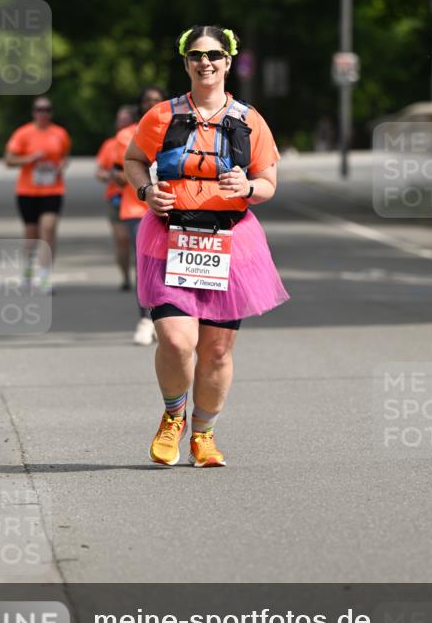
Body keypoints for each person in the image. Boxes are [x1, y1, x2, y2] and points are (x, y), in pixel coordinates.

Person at [124, 26, 288, 467]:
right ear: (185, 63)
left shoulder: (250, 120)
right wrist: (145, 192)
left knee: (216, 350)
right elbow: (134, 160)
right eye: (196, 56)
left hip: (229, 245)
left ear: (228, 61)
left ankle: (204, 435)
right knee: (177, 342)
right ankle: (173, 417)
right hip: (169, 240)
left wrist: (249, 185)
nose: (206, 63)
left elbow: (269, 182)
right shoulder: (160, 115)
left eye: (215, 55)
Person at [115, 86, 166, 345]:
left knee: (168, 264)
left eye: (157, 100)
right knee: (144, 263)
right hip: (138, 206)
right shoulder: (126, 135)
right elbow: (123, 168)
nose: (152, 104)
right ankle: (146, 318)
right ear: (140, 104)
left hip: (171, 206)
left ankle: (164, 317)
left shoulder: (176, 127)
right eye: (147, 100)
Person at [4, 96, 71, 293]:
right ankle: (27, 272)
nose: (43, 113)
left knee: (48, 229)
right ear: (34, 112)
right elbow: (8, 160)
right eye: (39, 109)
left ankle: (44, 276)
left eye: (47, 109)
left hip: (53, 189)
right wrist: (29, 158)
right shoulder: (23, 133)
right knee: (31, 235)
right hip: (27, 191)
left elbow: (65, 157)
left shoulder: (60, 133)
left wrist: (61, 165)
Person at [95, 105, 137, 291]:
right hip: (116, 197)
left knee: (138, 240)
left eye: (125, 119)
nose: (121, 123)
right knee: (121, 239)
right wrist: (110, 176)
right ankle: (125, 276)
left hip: (137, 198)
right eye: (119, 119)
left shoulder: (138, 140)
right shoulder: (109, 145)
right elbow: (100, 172)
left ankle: (141, 277)